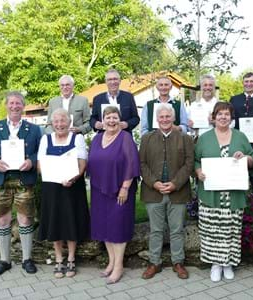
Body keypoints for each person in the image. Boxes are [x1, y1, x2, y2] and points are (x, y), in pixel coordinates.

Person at [0, 91, 42, 276]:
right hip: (1, 179)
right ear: (6, 105)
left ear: (23, 106)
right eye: (11, 103)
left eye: (18, 103)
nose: (15, 106)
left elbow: (41, 151)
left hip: (24, 179)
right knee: (3, 219)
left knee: (25, 218)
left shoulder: (33, 129)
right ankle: (4, 260)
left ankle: (27, 259)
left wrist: (32, 160)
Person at [195, 102, 253, 282]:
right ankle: (215, 265)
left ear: (231, 118)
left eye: (227, 114)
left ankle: (229, 263)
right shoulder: (204, 138)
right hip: (211, 194)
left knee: (231, 229)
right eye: (219, 114)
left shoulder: (240, 136)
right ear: (213, 117)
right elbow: (195, 160)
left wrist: (246, 159)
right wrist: (198, 171)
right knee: (212, 230)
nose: (223, 117)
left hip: (233, 194)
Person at [140, 103, 194, 280]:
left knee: (177, 229)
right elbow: (142, 164)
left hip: (177, 192)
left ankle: (178, 262)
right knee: (155, 230)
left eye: (167, 116)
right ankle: (154, 262)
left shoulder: (184, 138)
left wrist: (175, 183)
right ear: (157, 119)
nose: (164, 119)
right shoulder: (147, 138)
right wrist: (154, 183)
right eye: (161, 117)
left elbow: (189, 164)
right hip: (153, 192)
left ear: (173, 118)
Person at [88, 106, 140, 284]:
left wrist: (125, 187)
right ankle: (111, 262)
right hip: (99, 190)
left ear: (120, 120)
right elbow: (91, 162)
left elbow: (132, 164)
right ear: (102, 121)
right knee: (104, 227)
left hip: (120, 191)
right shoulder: (96, 139)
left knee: (118, 227)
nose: (111, 121)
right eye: (108, 117)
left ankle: (119, 266)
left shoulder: (125, 138)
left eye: (114, 117)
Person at [37, 108, 90, 278]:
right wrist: (54, 175)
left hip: (72, 187)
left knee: (70, 219)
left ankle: (72, 258)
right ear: (52, 123)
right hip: (52, 187)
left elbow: (82, 164)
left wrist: (72, 178)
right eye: (56, 121)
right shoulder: (46, 139)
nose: (60, 124)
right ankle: (59, 257)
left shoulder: (78, 138)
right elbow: (39, 165)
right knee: (54, 220)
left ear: (69, 122)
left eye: (63, 121)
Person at [89, 69, 140, 133]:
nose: (113, 82)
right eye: (110, 79)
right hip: (104, 137)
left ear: (120, 81)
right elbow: (92, 119)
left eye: (115, 79)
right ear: (106, 82)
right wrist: (95, 123)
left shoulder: (128, 97)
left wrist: (127, 124)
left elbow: (136, 118)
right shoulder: (97, 99)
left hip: (124, 135)